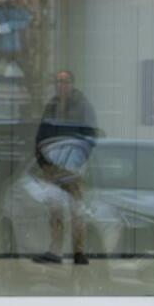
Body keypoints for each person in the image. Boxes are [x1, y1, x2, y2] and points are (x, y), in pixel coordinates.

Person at [32, 70, 100, 265]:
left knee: (76, 208)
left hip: (72, 167)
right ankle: (55, 250)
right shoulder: (51, 106)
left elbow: (90, 135)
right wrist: (43, 162)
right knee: (55, 209)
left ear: (72, 84)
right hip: (52, 167)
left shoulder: (82, 106)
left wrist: (78, 160)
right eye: (59, 81)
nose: (61, 85)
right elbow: (41, 135)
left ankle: (79, 251)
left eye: (65, 81)